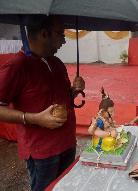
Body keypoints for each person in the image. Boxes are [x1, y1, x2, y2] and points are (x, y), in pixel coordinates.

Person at [0, 16, 85, 191]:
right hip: (42, 152)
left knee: (65, 186)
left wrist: (73, 92)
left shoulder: (56, 63)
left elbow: (59, 99)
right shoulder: (17, 66)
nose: (64, 40)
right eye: (60, 34)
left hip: (67, 143)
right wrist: (34, 118)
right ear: (44, 33)